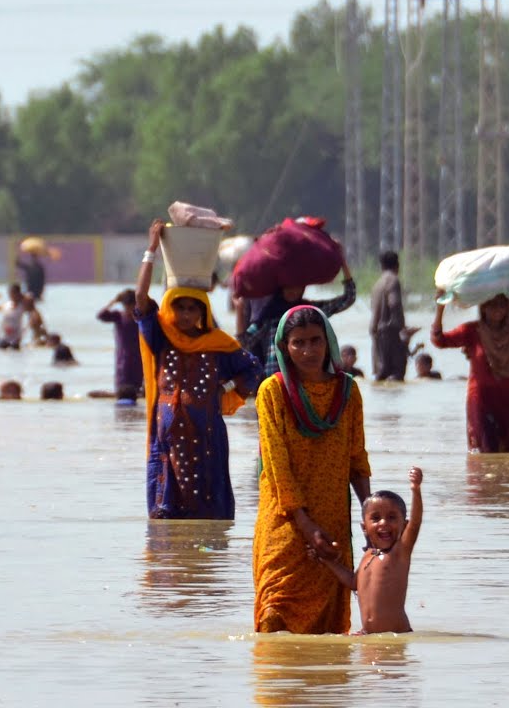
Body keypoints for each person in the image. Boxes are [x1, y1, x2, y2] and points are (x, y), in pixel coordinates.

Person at [252, 305, 371, 634]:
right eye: (298, 343)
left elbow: (356, 457)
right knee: (274, 614)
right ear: (285, 348)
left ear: (328, 342)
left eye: (316, 341)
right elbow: (276, 466)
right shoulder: (272, 393)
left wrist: (369, 510)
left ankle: (322, 686)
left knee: (328, 631)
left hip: (332, 521)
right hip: (286, 523)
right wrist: (304, 524)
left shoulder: (347, 391)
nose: (308, 351)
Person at [136, 219, 264, 520]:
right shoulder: (162, 338)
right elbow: (141, 300)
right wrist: (151, 250)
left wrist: (225, 389)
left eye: (192, 308)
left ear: (202, 312)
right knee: (166, 521)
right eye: (180, 307)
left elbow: (253, 372)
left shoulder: (217, 345)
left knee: (209, 517)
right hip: (167, 441)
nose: (185, 314)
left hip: (207, 440)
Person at [430, 291, 509, 453]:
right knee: (482, 455)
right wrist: (440, 309)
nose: (497, 310)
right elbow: (439, 340)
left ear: (508, 308)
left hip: (508, 402)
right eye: (491, 305)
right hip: (481, 402)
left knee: (508, 458)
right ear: (483, 308)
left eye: (502, 305)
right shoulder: (472, 331)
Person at [312, 467, 424, 634]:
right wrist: (326, 560)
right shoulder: (368, 555)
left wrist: (415, 489)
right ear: (364, 527)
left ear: (404, 525)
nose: (383, 523)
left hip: (396, 636)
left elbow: (415, 523)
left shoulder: (399, 553)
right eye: (376, 518)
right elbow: (353, 582)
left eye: (392, 517)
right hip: (368, 635)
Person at [238, 262, 356, 377]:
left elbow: (348, 298)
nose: (293, 291)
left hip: (306, 378)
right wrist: (239, 310)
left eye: (298, 286)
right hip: (277, 379)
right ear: (281, 287)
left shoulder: (310, 311)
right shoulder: (269, 316)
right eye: (289, 286)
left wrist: (343, 262)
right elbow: (245, 341)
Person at [369, 251, 419, 381]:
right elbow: (394, 303)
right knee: (396, 373)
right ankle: (395, 401)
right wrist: (402, 329)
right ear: (397, 265)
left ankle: (380, 401)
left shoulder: (377, 284)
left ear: (381, 266)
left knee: (382, 372)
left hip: (377, 332)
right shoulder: (393, 280)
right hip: (390, 332)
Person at [97, 289, 144, 397]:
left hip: (139, 359)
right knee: (121, 390)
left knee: (137, 392)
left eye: (130, 306)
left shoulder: (141, 318)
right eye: (125, 306)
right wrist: (114, 301)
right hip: (123, 360)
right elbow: (101, 315)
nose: (128, 309)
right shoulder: (118, 316)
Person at [0, 283, 28, 349]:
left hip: (16, 338)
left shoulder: (22, 306)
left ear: (18, 293)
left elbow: (30, 299)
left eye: (13, 293)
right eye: (10, 293)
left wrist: (21, 296)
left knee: (15, 349)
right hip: (5, 337)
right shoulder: (6, 305)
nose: (11, 295)